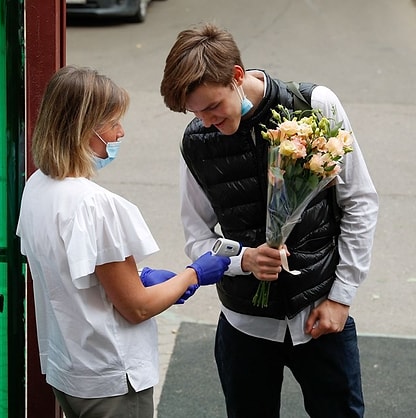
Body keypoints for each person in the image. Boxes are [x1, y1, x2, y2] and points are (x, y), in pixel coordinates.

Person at [160, 23, 378, 418]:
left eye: (212, 107)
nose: (206, 121)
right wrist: (243, 260)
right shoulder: (195, 143)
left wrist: (341, 297)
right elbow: (196, 238)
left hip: (320, 313)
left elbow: (360, 202)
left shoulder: (314, 104)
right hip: (245, 325)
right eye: (195, 113)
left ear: (237, 77)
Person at [16, 64, 231, 418]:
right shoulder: (95, 205)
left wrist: (142, 275)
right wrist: (193, 274)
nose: (120, 132)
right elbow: (137, 308)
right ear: (84, 128)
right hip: (112, 377)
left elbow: (76, 271)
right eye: (113, 122)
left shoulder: (37, 185)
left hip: (69, 370)